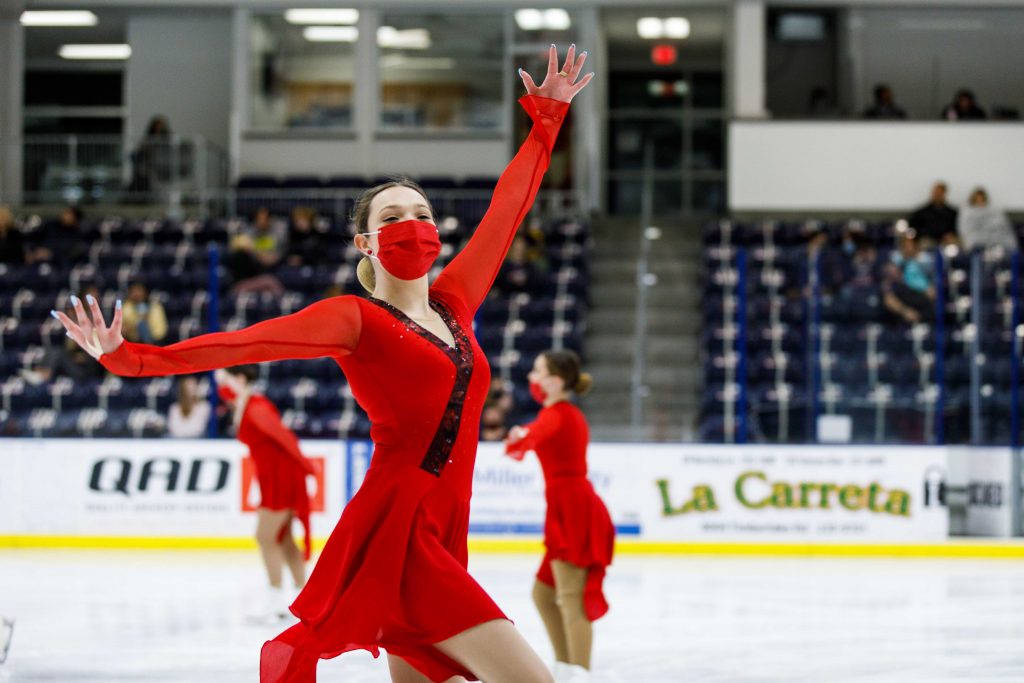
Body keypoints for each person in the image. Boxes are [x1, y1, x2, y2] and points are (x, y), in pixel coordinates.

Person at [53, 45, 593, 683]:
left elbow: (507, 212)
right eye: (393, 217)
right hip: (402, 527)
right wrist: (130, 358)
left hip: (448, 523)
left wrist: (547, 121)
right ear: (365, 242)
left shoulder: (455, 304)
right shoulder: (355, 318)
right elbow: (243, 344)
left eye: (422, 215)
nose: (413, 224)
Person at [504, 350, 614, 683]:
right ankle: (566, 668)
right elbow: (535, 432)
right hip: (566, 506)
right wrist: (522, 435)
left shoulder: (560, 414)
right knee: (543, 594)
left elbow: (535, 435)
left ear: (555, 380)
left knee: (570, 598)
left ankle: (579, 674)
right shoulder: (559, 413)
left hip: (573, 510)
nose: (531, 378)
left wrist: (522, 437)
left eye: (537, 371)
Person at [215, 365, 316, 622]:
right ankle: (306, 600)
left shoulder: (256, 407)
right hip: (275, 477)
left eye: (226, 380)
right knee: (284, 539)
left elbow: (285, 437)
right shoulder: (247, 403)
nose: (222, 386)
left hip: (281, 478)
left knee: (265, 536)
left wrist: (306, 466)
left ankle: (276, 601)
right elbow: (227, 394)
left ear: (239, 379)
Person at [229, 207, 287, 295]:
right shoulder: (250, 232)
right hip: (254, 266)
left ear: (269, 219)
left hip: (271, 267)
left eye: (264, 219)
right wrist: (257, 254)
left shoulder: (277, 233)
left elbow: (275, 256)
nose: (261, 221)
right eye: (259, 219)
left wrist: (264, 256)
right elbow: (239, 245)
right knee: (240, 256)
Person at [883, 231, 935, 325]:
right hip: (904, 300)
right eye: (905, 245)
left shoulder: (925, 261)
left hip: (923, 299)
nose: (909, 248)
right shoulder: (895, 263)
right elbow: (888, 292)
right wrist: (905, 311)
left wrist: (929, 289)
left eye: (911, 245)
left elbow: (933, 287)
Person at [957, 187, 1017, 252]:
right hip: (976, 241)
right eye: (977, 199)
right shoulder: (967, 213)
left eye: (981, 199)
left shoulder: (995, 211)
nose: (980, 201)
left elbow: (1002, 225)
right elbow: (965, 229)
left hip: (996, 240)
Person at [121, 279, 168, 344]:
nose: (136, 293)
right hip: (132, 342)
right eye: (133, 290)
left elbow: (161, 331)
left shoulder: (155, 307)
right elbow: (122, 329)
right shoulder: (126, 307)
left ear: (146, 291)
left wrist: (147, 321)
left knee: (142, 325)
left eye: (139, 290)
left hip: (154, 342)